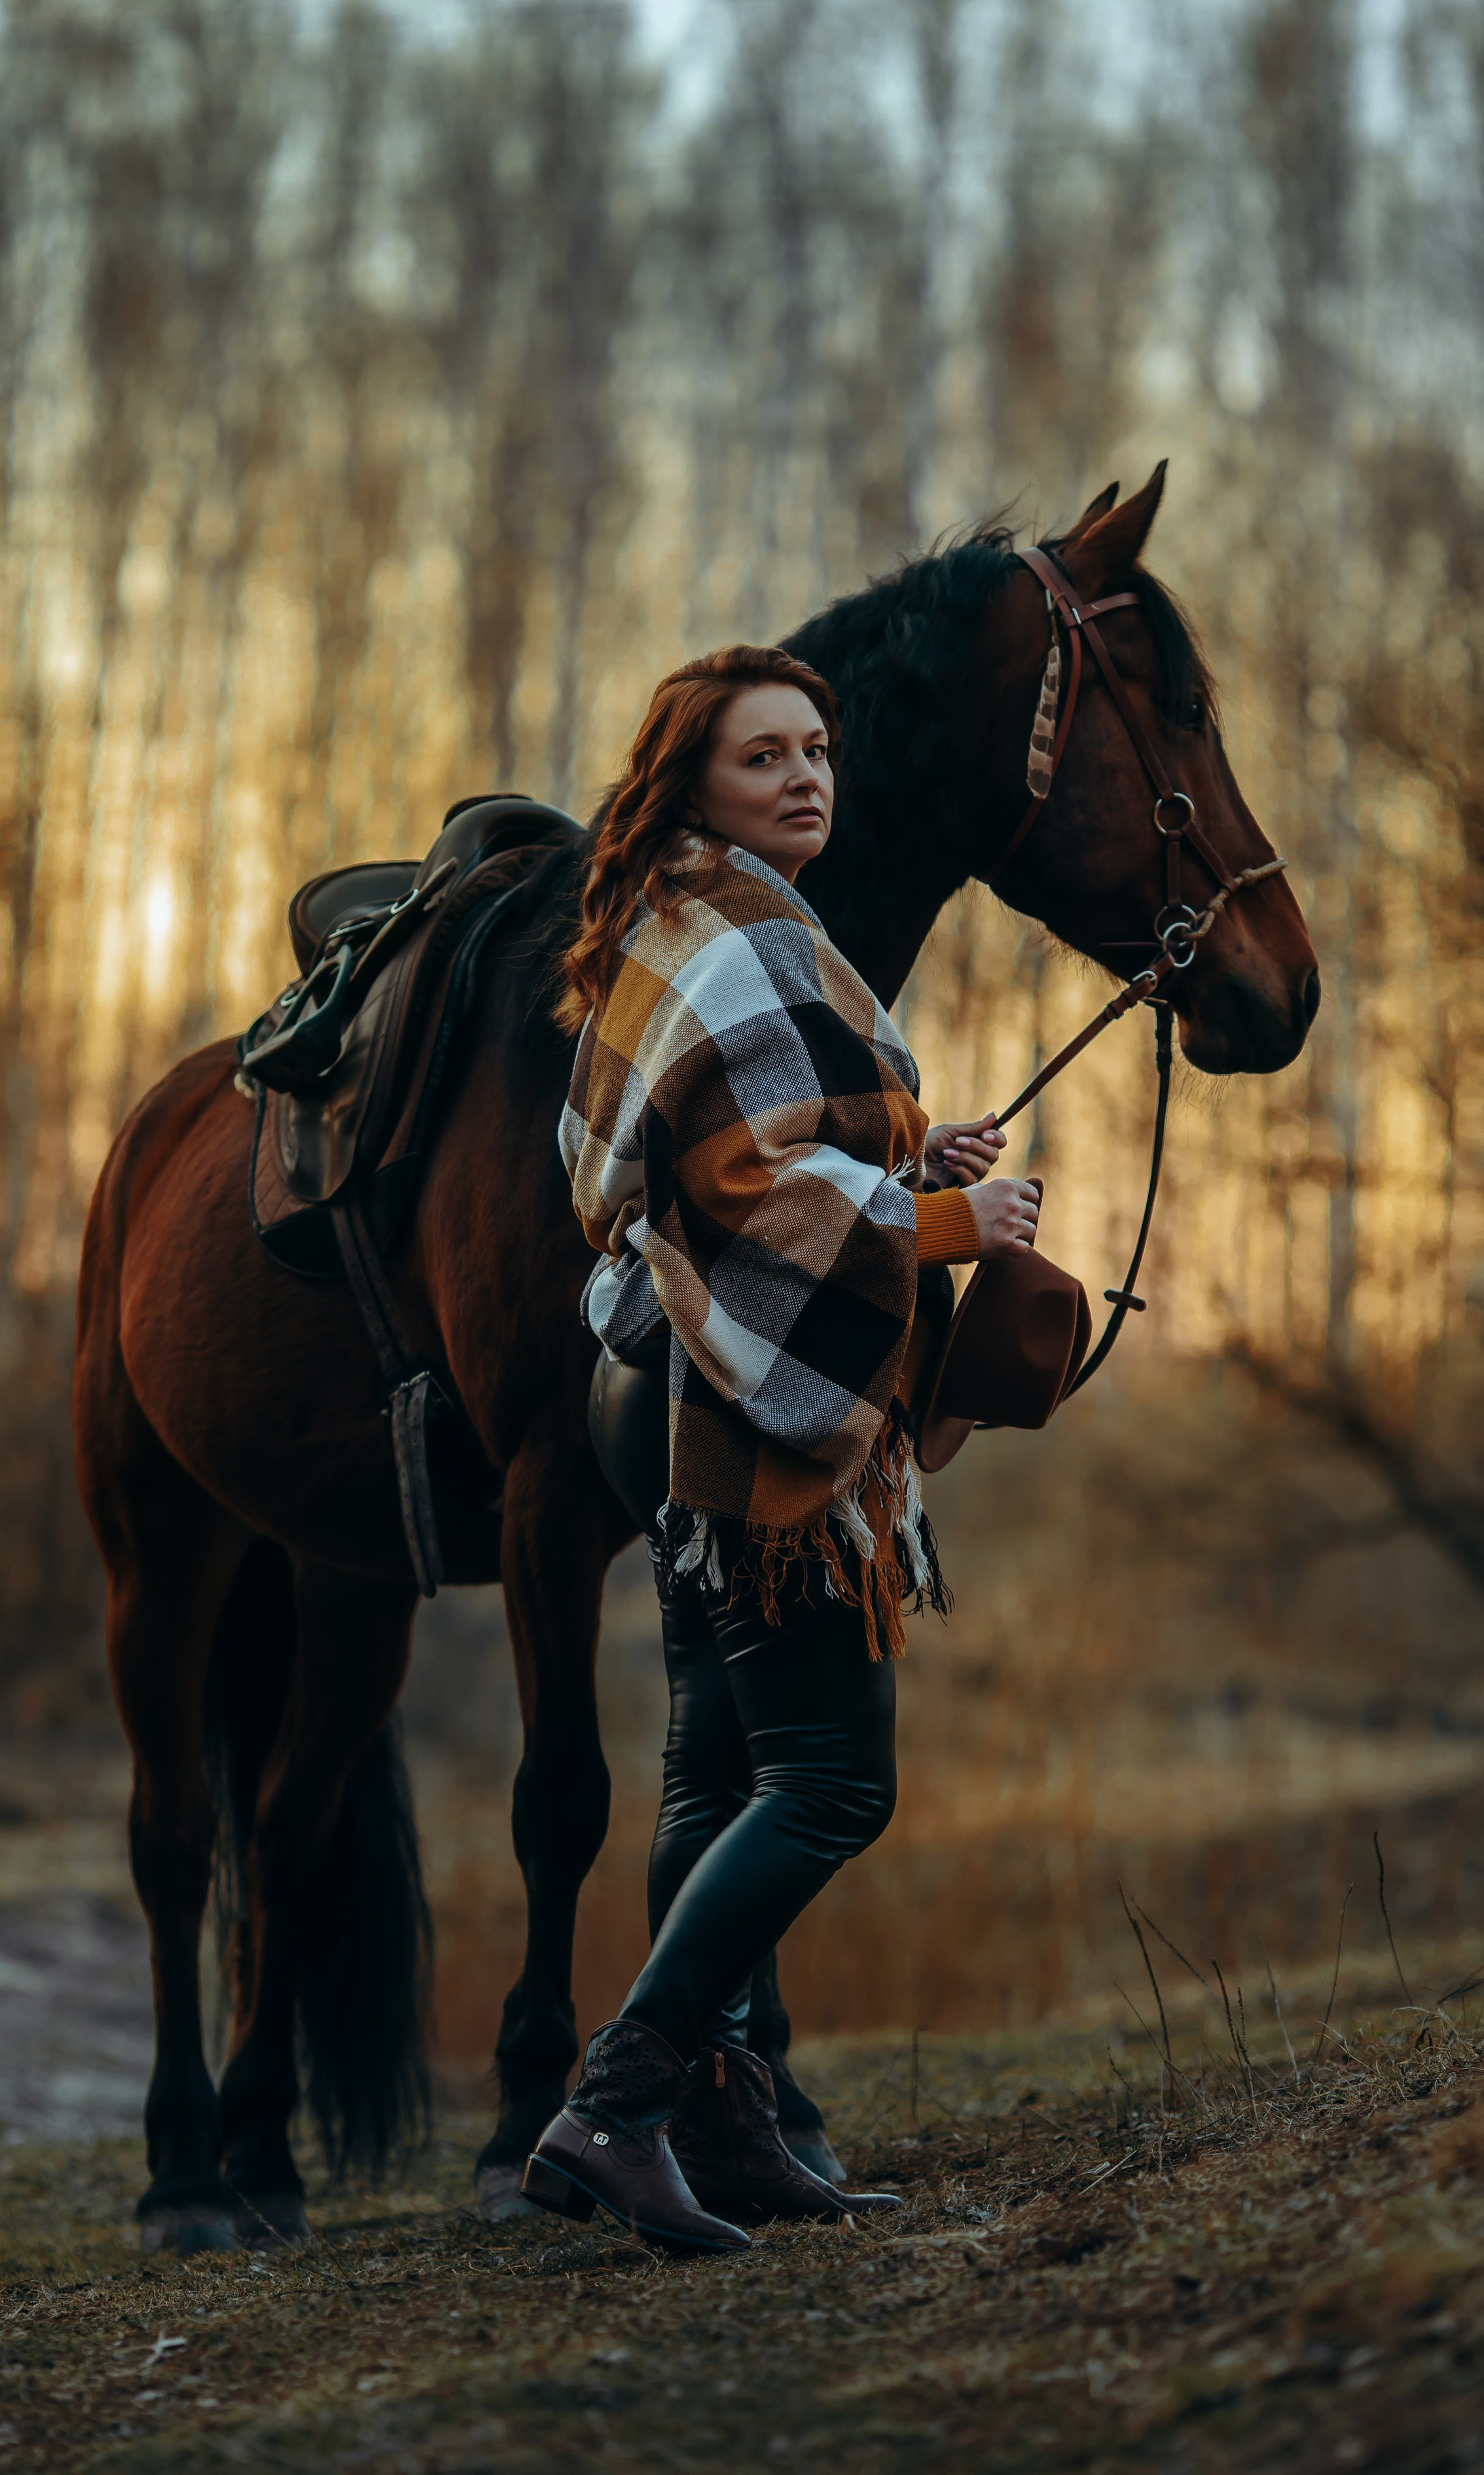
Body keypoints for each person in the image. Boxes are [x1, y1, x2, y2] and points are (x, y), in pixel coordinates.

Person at [524, 646, 1041, 2252]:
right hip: (736, 1401)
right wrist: (948, 1215)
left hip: (668, 1385)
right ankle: (613, 2106)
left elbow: (743, 1137)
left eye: (816, 749)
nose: (805, 776)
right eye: (764, 757)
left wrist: (899, 1140)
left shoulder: (687, 917)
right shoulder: (741, 928)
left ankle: (725, 2120)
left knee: (717, 1769)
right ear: (693, 784)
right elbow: (745, 1191)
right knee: (830, 1783)